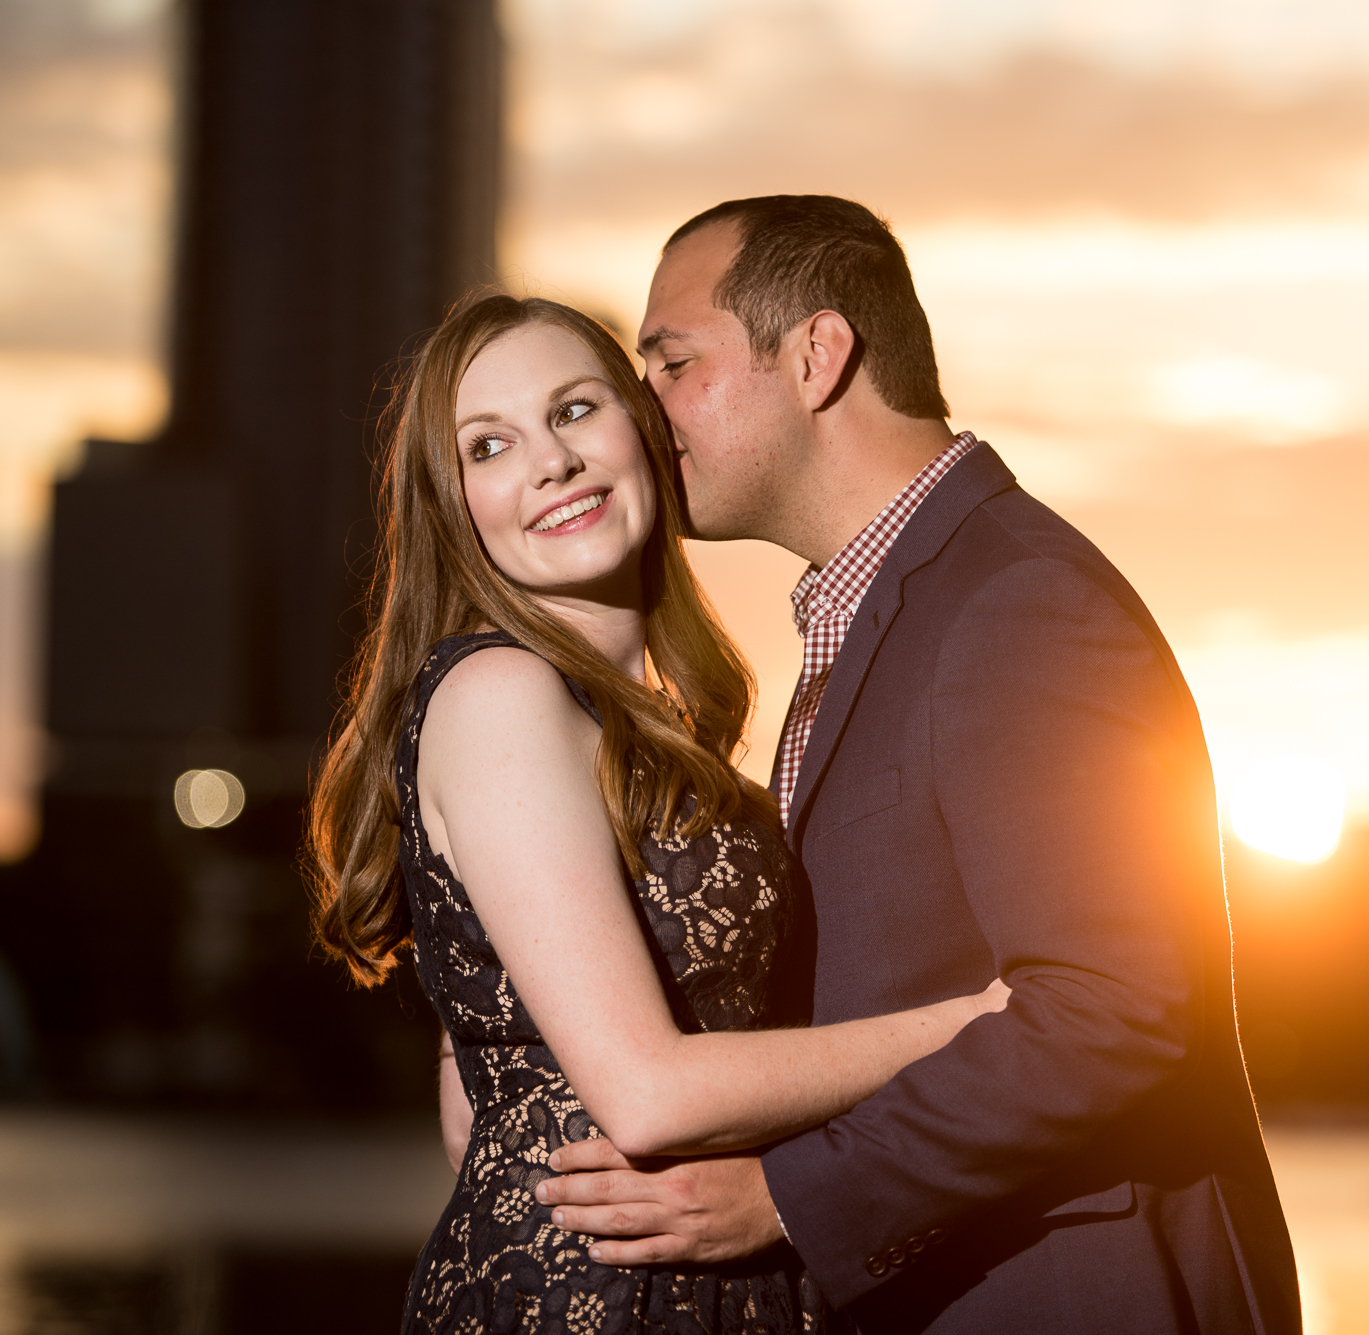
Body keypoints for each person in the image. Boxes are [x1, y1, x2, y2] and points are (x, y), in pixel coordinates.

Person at [536, 196, 1302, 1333]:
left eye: (672, 362)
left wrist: (786, 1201)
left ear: (815, 354)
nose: (639, 416)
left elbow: (1111, 1004)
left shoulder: (1015, 602)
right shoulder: (883, 610)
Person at [305, 294, 1008, 1334]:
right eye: (489, 445)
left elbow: (471, 1102)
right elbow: (643, 1094)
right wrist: (979, 1019)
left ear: (645, 429)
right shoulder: (501, 694)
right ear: (452, 507)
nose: (550, 461)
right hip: (596, 1300)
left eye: (576, 410)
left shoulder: (634, 722)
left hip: (689, 1276)